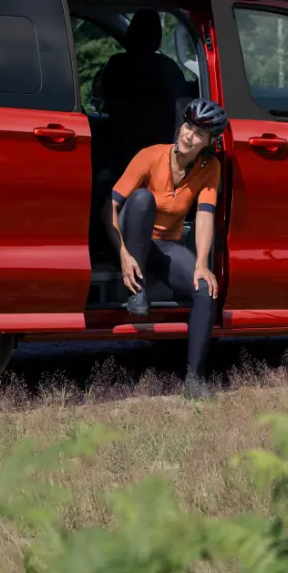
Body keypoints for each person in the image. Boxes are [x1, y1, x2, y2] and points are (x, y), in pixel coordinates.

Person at [110, 98, 228, 396]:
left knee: (204, 288)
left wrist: (202, 263)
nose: (189, 136)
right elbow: (108, 208)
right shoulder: (150, 156)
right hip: (132, 239)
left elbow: (204, 216)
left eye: (199, 134)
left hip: (167, 246)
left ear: (209, 141)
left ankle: (195, 379)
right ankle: (136, 290)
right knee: (141, 200)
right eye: (188, 127)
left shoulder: (210, 167)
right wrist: (123, 254)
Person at [94, 9, 192, 153]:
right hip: (161, 144)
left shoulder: (117, 64)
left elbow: (105, 97)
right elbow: (183, 101)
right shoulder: (167, 67)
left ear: (132, 32)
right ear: (157, 36)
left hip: (121, 143)